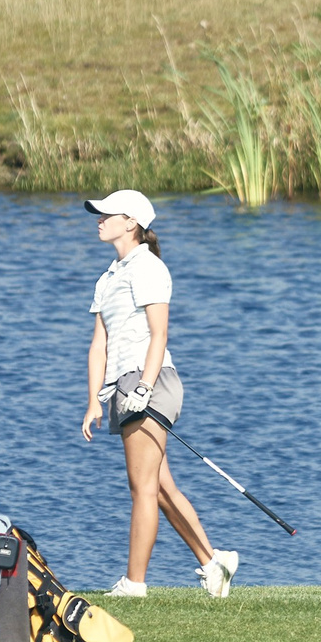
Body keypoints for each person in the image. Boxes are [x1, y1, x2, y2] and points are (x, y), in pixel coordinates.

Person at [78, 190, 238, 599]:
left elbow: (159, 333)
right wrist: (94, 399)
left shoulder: (147, 268)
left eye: (106, 214)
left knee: (142, 488)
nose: (98, 220)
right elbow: (99, 344)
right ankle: (214, 564)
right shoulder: (108, 276)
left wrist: (145, 387)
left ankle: (135, 584)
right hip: (122, 387)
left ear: (130, 222)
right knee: (161, 487)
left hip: (148, 382)